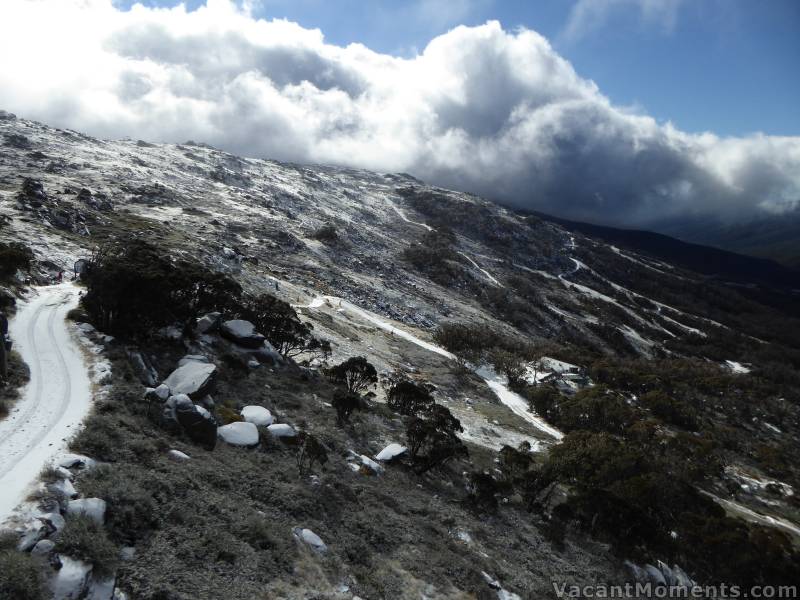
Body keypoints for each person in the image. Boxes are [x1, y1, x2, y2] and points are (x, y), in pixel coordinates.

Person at [0, 311, 8, 383]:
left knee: (2, 358)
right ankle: (4, 379)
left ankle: (4, 379)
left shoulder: (2, 316)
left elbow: (5, 332)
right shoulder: (2, 316)